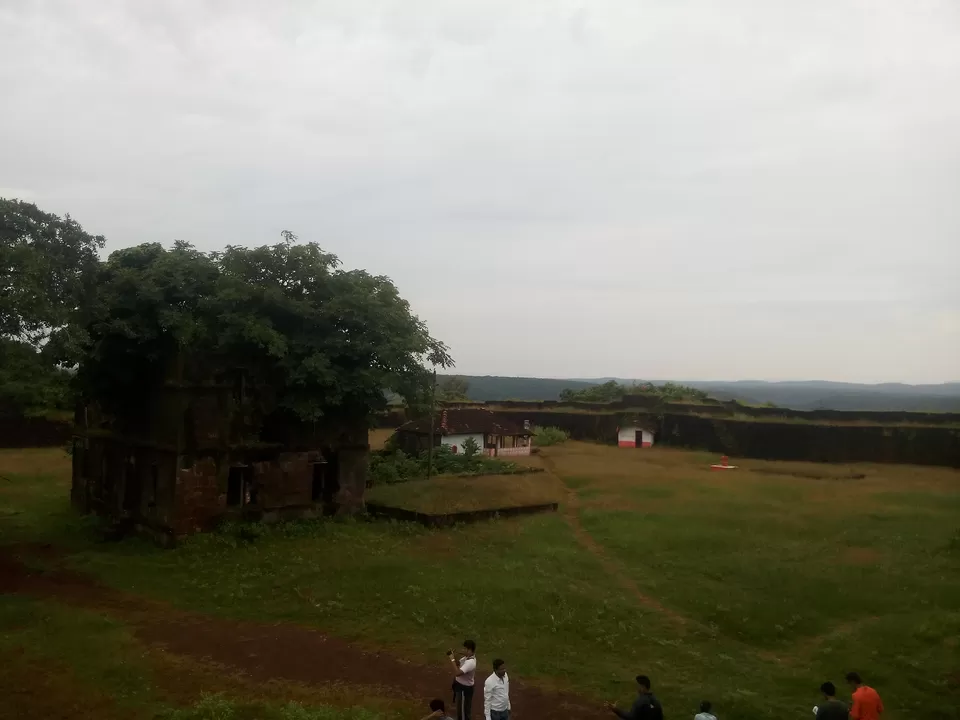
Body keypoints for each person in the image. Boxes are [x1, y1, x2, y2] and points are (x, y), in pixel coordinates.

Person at [447, 639, 478, 720]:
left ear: (470, 650)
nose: (463, 650)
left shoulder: (470, 662)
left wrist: (452, 659)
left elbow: (458, 672)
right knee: (460, 711)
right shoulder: (466, 658)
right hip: (460, 687)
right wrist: (454, 656)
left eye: (465, 649)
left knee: (464, 713)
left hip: (464, 690)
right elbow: (458, 664)